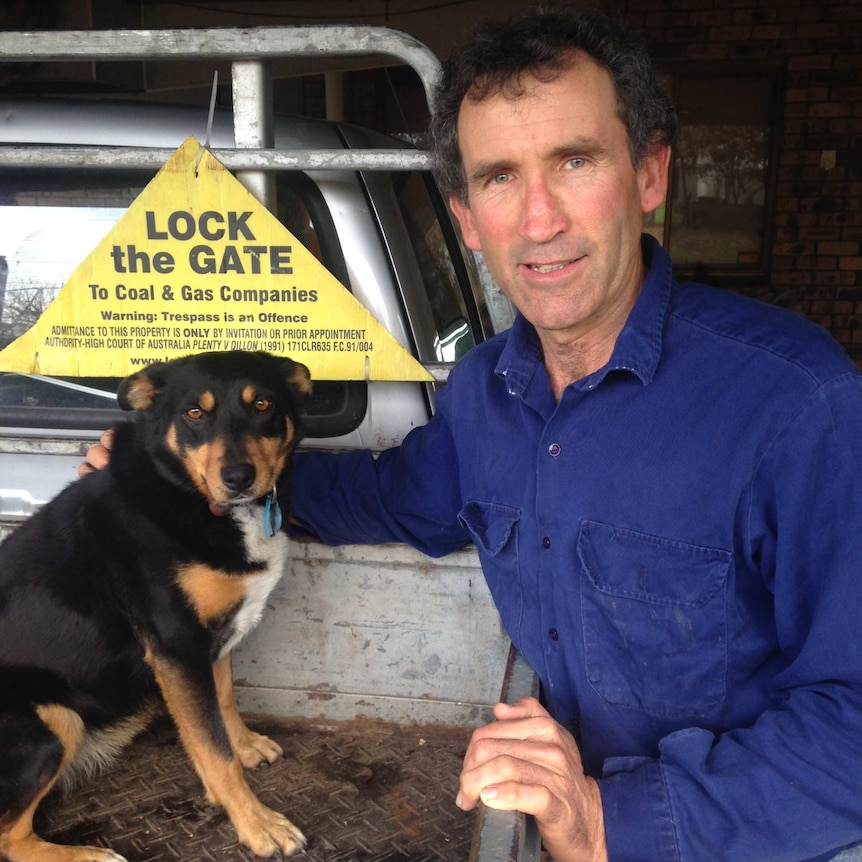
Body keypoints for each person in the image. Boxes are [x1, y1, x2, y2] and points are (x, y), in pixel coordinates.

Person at [83, 6, 862, 861]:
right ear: (463, 217)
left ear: (650, 175)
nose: (538, 220)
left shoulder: (801, 405)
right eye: (498, 177)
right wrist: (192, 480)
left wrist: (611, 820)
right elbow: (398, 493)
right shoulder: (486, 390)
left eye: (575, 161)